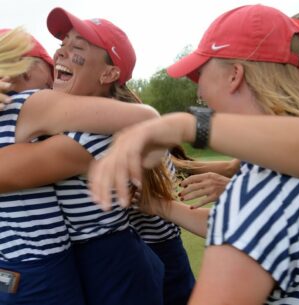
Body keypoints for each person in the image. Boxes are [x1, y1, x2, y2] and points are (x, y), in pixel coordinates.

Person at [89, 4, 299, 304]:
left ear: (235, 75)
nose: (201, 94)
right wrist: (159, 205)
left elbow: (249, 225)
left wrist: (186, 124)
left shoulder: (257, 195)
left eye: (200, 76)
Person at [0, 8, 195, 305]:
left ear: (108, 74)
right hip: (93, 257)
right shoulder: (59, 122)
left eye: (76, 47)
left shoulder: (95, 133)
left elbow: (7, 171)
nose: (61, 52)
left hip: (112, 260)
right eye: (62, 44)